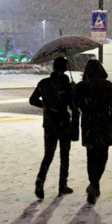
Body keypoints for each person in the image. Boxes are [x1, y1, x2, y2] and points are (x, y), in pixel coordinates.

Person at [29, 57, 79, 199]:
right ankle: (62, 185)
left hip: (49, 124)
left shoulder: (43, 83)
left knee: (48, 154)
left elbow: (32, 101)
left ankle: (40, 179)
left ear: (53, 68)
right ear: (64, 69)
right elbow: (74, 108)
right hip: (64, 124)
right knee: (65, 155)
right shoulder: (66, 85)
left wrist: (46, 106)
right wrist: (73, 91)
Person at [74, 59, 112, 204]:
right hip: (104, 123)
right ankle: (94, 184)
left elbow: (75, 105)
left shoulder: (81, 86)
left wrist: (75, 90)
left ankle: (94, 185)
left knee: (91, 156)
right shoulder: (106, 85)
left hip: (88, 125)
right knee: (103, 156)